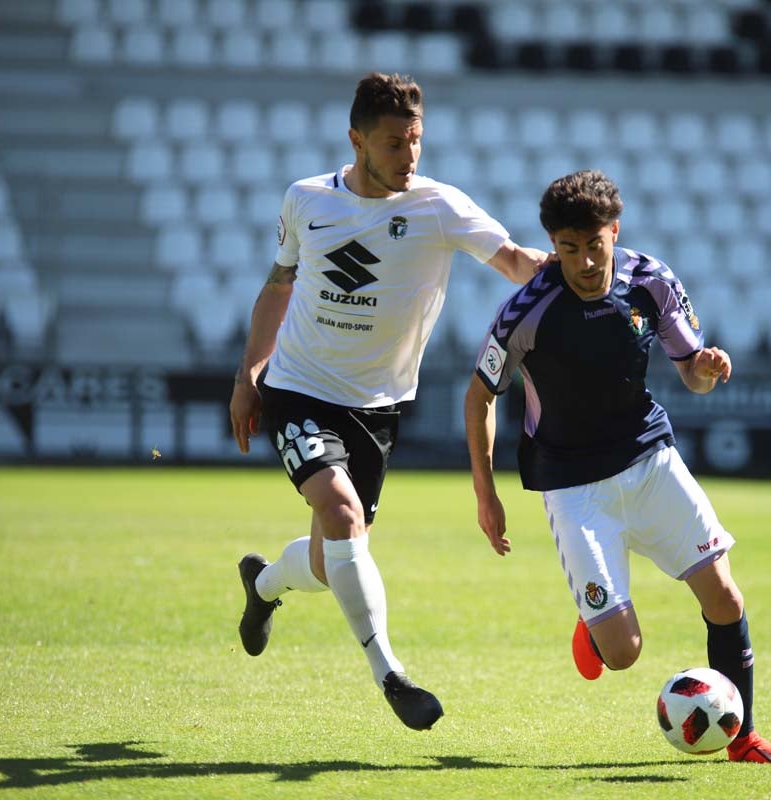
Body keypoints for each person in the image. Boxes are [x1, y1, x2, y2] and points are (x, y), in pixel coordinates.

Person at [229, 72, 550, 732]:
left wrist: (582, 273)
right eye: (394, 142)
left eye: (416, 141)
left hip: (377, 408)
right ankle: (391, 675)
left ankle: (263, 585)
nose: (409, 156)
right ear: (356, 140)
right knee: (341, 515)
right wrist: (249, 374)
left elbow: (516, 261)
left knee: (330, 558)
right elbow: (277, 286)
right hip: (298, 390)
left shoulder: (439, 207)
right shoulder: (307, 200)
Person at [463, 170, 771, 764]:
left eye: (594, 245)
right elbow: (478, 397)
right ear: (553, 243)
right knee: (622, 653)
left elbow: (691, 375)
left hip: (650, 463)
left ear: (613, 232)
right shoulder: (527, 309)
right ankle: (597, 624)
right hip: (574, 489)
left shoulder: (649, 281)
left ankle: (743, 739)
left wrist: (707, 367)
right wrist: (485, 496)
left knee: (724, 596)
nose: (585, 262)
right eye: (569, 249)